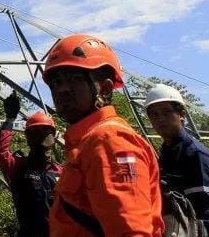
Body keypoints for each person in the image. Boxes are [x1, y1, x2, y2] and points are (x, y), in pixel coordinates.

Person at [43, 34, 163, 236]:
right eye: (55, 82)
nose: (62, 89)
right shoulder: (86, 143)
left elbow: (130, 231)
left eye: (74, 79)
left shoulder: (109, 140)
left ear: (105, 88)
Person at [144, 83, 209, 237]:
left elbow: (204, 211)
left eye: (166, 112)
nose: (160, 119)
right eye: (154, 114)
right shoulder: (168, 151)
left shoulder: (195, 154)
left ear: (181, 115)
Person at [0, 93, 62, 236]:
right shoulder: (19, 167)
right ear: (28, 137)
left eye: (45, 131)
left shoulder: (61, 171)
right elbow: (0, 151)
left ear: (53, 136)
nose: (41, 135)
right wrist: (10, 119)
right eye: (35, 132)